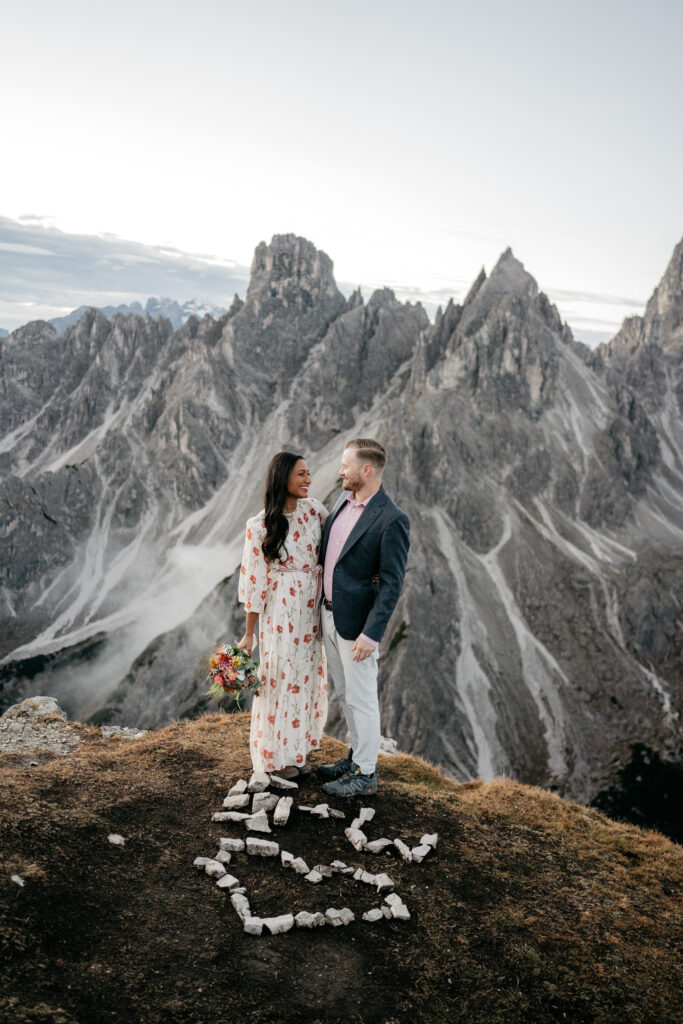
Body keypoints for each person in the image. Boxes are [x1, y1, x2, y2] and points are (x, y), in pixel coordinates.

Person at [317, 438, 410, 797]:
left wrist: (371, 635)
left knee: (362, 697)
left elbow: (391, 584)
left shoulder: (391, 519)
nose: (340, 471)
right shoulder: (342, 500)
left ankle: (367, 774)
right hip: (329, 617)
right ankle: (356, 756)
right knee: (344, 694)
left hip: (357, 628)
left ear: (366, 470)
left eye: (346, 465)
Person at [237, 451, 328, 778]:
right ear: (283, 478)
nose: (308, 480)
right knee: (279, 677)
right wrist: (250, 634)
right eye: (301, 474)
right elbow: (254, 582)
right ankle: (275, 758)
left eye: (308, 473)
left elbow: (337, 549)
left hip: (310, 609)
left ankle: (297, 751)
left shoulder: (315, 511)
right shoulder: (260, 525)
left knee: (305, 676)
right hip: (280, 612)